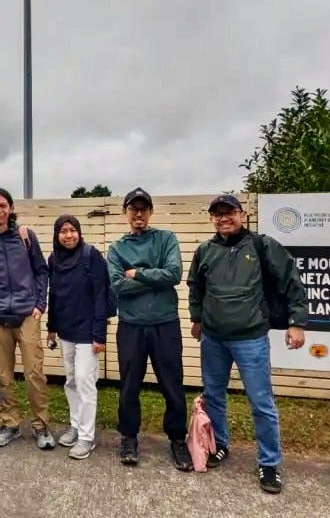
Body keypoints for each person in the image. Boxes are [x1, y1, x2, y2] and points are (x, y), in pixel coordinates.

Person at [187, 194, 308, 494]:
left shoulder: (261, 245)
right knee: (214, 396)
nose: (223, 218)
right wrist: (197, 319)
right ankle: (220, 445)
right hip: (213, 338)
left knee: (261, 402)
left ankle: (269, 463)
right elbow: (195, 287)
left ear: (241, 215)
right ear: (211, 219)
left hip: (251, 338)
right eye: (217, 214)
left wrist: (296, 322)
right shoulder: (204, 251)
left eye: (229, 213)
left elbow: (291, 280)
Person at [107, 187, 192, 470]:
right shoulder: (117, 248)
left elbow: (174, 274)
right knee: (129, 386)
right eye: (133, 208)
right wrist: (155, 278)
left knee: (172, 384)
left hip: (165, 324)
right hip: (131, 326)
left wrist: (138, 273)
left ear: (151, 212)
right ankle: (129, 437)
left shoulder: (166, 238)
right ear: (126, 213)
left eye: (144, 208)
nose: (139, 213)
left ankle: (178, 439)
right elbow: (118, 285)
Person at [0, 187, 54, 449]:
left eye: (2, 205)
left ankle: (41, 426)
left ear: (10, 209)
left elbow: (41, 271)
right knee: (3, 374)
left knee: (34, 373)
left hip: (27, 313)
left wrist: (40, 304)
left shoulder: (25, 236)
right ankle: (10, 423)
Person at [45, 214, 109, 460]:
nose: (68, 235)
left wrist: (99, 335)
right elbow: (55, 296)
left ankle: (86, 437)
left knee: (84, 380)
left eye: (72, 230)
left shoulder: (91, 255)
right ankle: (75, 425)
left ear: (79, 233)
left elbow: (101, 295)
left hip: (88, 332)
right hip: (65, 331)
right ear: (57, 235)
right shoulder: (54, 259)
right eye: (63, 231)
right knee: (71, 380)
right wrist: (51, 328)